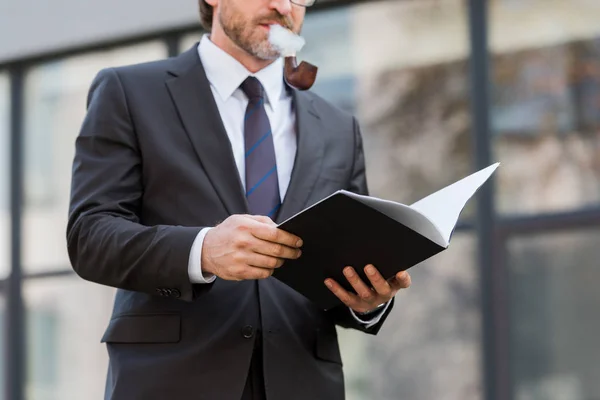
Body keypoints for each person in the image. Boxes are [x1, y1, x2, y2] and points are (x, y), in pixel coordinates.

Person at [66, 0, 412, 399]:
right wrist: (202, 251)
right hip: (171, 382)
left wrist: (366, 298)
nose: (283, 5)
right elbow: (89, 236)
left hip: (302, 381)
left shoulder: (338, 127)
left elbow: (341, 263)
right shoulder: (129, 92)